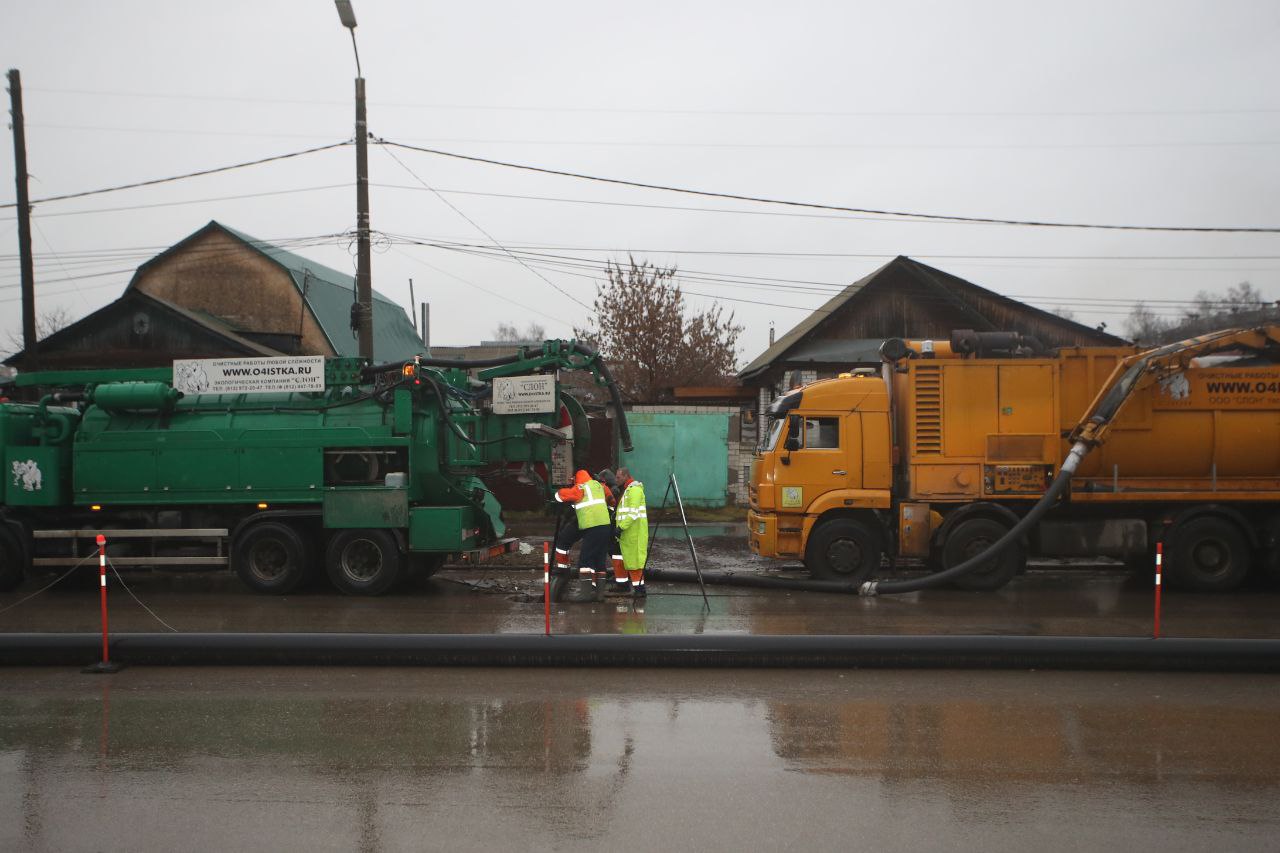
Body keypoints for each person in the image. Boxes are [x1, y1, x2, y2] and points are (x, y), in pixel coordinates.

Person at [553, 469, 612, 601]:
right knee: (599, 560)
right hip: (605, 525)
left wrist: (558, 492)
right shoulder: (598, 485)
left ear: (577, 478)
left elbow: (562, 496)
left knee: (585, 560)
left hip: (592, 527)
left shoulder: (581, 487)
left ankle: (585, 595)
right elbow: (609, 498)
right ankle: (599, 596)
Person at [613, 467, 649, 598]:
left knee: (635, 562)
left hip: (634, 533)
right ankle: (626, 586)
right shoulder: (628, 490)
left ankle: (640, 590)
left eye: (618, 477)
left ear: (626, 476)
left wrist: (620, 527)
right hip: (628, 533)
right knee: (624, 559)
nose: (616, 480)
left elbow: (633, 512)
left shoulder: (634, 490)